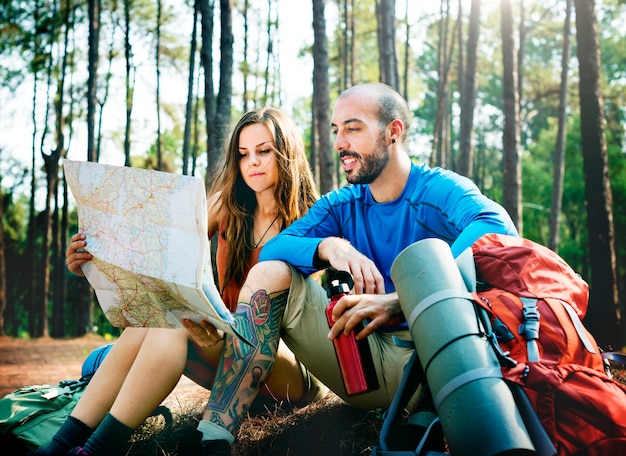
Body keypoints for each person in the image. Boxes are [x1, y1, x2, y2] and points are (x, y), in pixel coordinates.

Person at [189, 82, 518, 455]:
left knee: (434, 259)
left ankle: (421, 423)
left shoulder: (437, 190)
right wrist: (330, 246)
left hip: (441, 364)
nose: (340, 141)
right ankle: (214, 437)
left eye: (353, 128)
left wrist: (402, 300)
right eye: (336, 130)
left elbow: (497, 225)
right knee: (271, 272)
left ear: (394, 132)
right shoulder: (342, 204)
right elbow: (275, 250)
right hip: (367, 364)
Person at [30, 107, 326, 456]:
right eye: (243, 154)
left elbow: (299, 318)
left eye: (264, 151)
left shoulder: (311, 216)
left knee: (175, 323)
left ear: (286, 152)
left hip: (285, 366)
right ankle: (61, 446)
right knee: (165, 318)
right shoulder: (227, 205)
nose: (253, 163)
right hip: (226, 346)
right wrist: (94, 263)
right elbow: (164, 262)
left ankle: (95, 451)